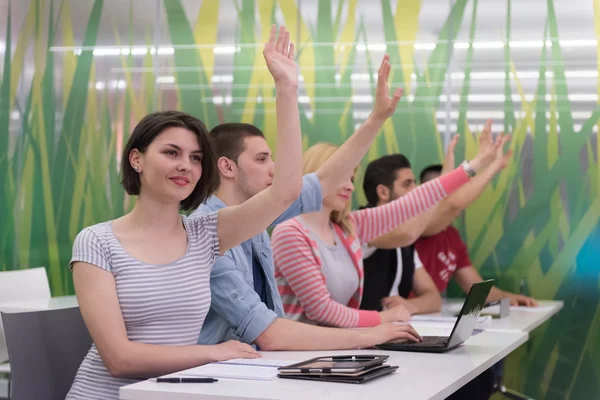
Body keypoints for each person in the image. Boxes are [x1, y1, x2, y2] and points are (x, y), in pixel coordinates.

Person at [67, 25, 307, 400]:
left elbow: (286, 191)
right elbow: (119, 359)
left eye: (195, 158)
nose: (186, 166)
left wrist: (287, 90)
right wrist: (215, 353)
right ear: (137, 159)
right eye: (171, 153)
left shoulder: (205, 234)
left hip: (176, 393)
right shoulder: (97, 241)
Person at [192, 54, 423, 350]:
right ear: (227, 167)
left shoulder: (258, 223)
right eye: (262, 159)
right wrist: (372, 332)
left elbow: (325, 180)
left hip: (258, 367)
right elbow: (269, 334)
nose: (275, 168)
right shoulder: (205, 234)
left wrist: (377, 118)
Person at [271, 132, 506, 328]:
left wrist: (477, 165)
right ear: (318, 174)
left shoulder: (349, 227)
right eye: (344, 177)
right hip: (302, 357)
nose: (350, 187)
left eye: (352, 178)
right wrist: (385, 319)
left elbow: (417, 200)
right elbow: (322, 310)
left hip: (337, 347)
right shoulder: (290, 232)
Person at [359, 154, 441, 314]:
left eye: (414, 183)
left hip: (393, 331)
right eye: (407, 184)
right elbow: (408, 235)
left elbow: (434, 299)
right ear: (383, 192)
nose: (415, 190)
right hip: (364, 334)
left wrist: (410, 306)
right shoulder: (362, 224)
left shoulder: (404, 238)